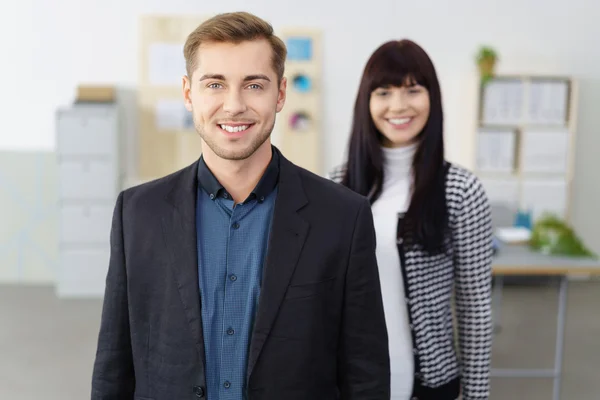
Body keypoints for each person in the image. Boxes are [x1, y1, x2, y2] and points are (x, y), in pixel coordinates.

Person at [91, 11, 390, 400]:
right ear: (187, 93)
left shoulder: (342, 217)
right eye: (215, 84)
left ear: (280, 94)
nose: (233, 106)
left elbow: (365, 374)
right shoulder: (137, 214)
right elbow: (115, 366)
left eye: (254, 85)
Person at [329, 39, 493, 400]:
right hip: (351, 382)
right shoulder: (338, 185)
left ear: (431, 98)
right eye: (384, 92)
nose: (398, 105)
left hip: (430, 384)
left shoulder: (461, 190)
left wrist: (477, 395)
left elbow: (475, 307)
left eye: (413, 90)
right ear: (366, 102)